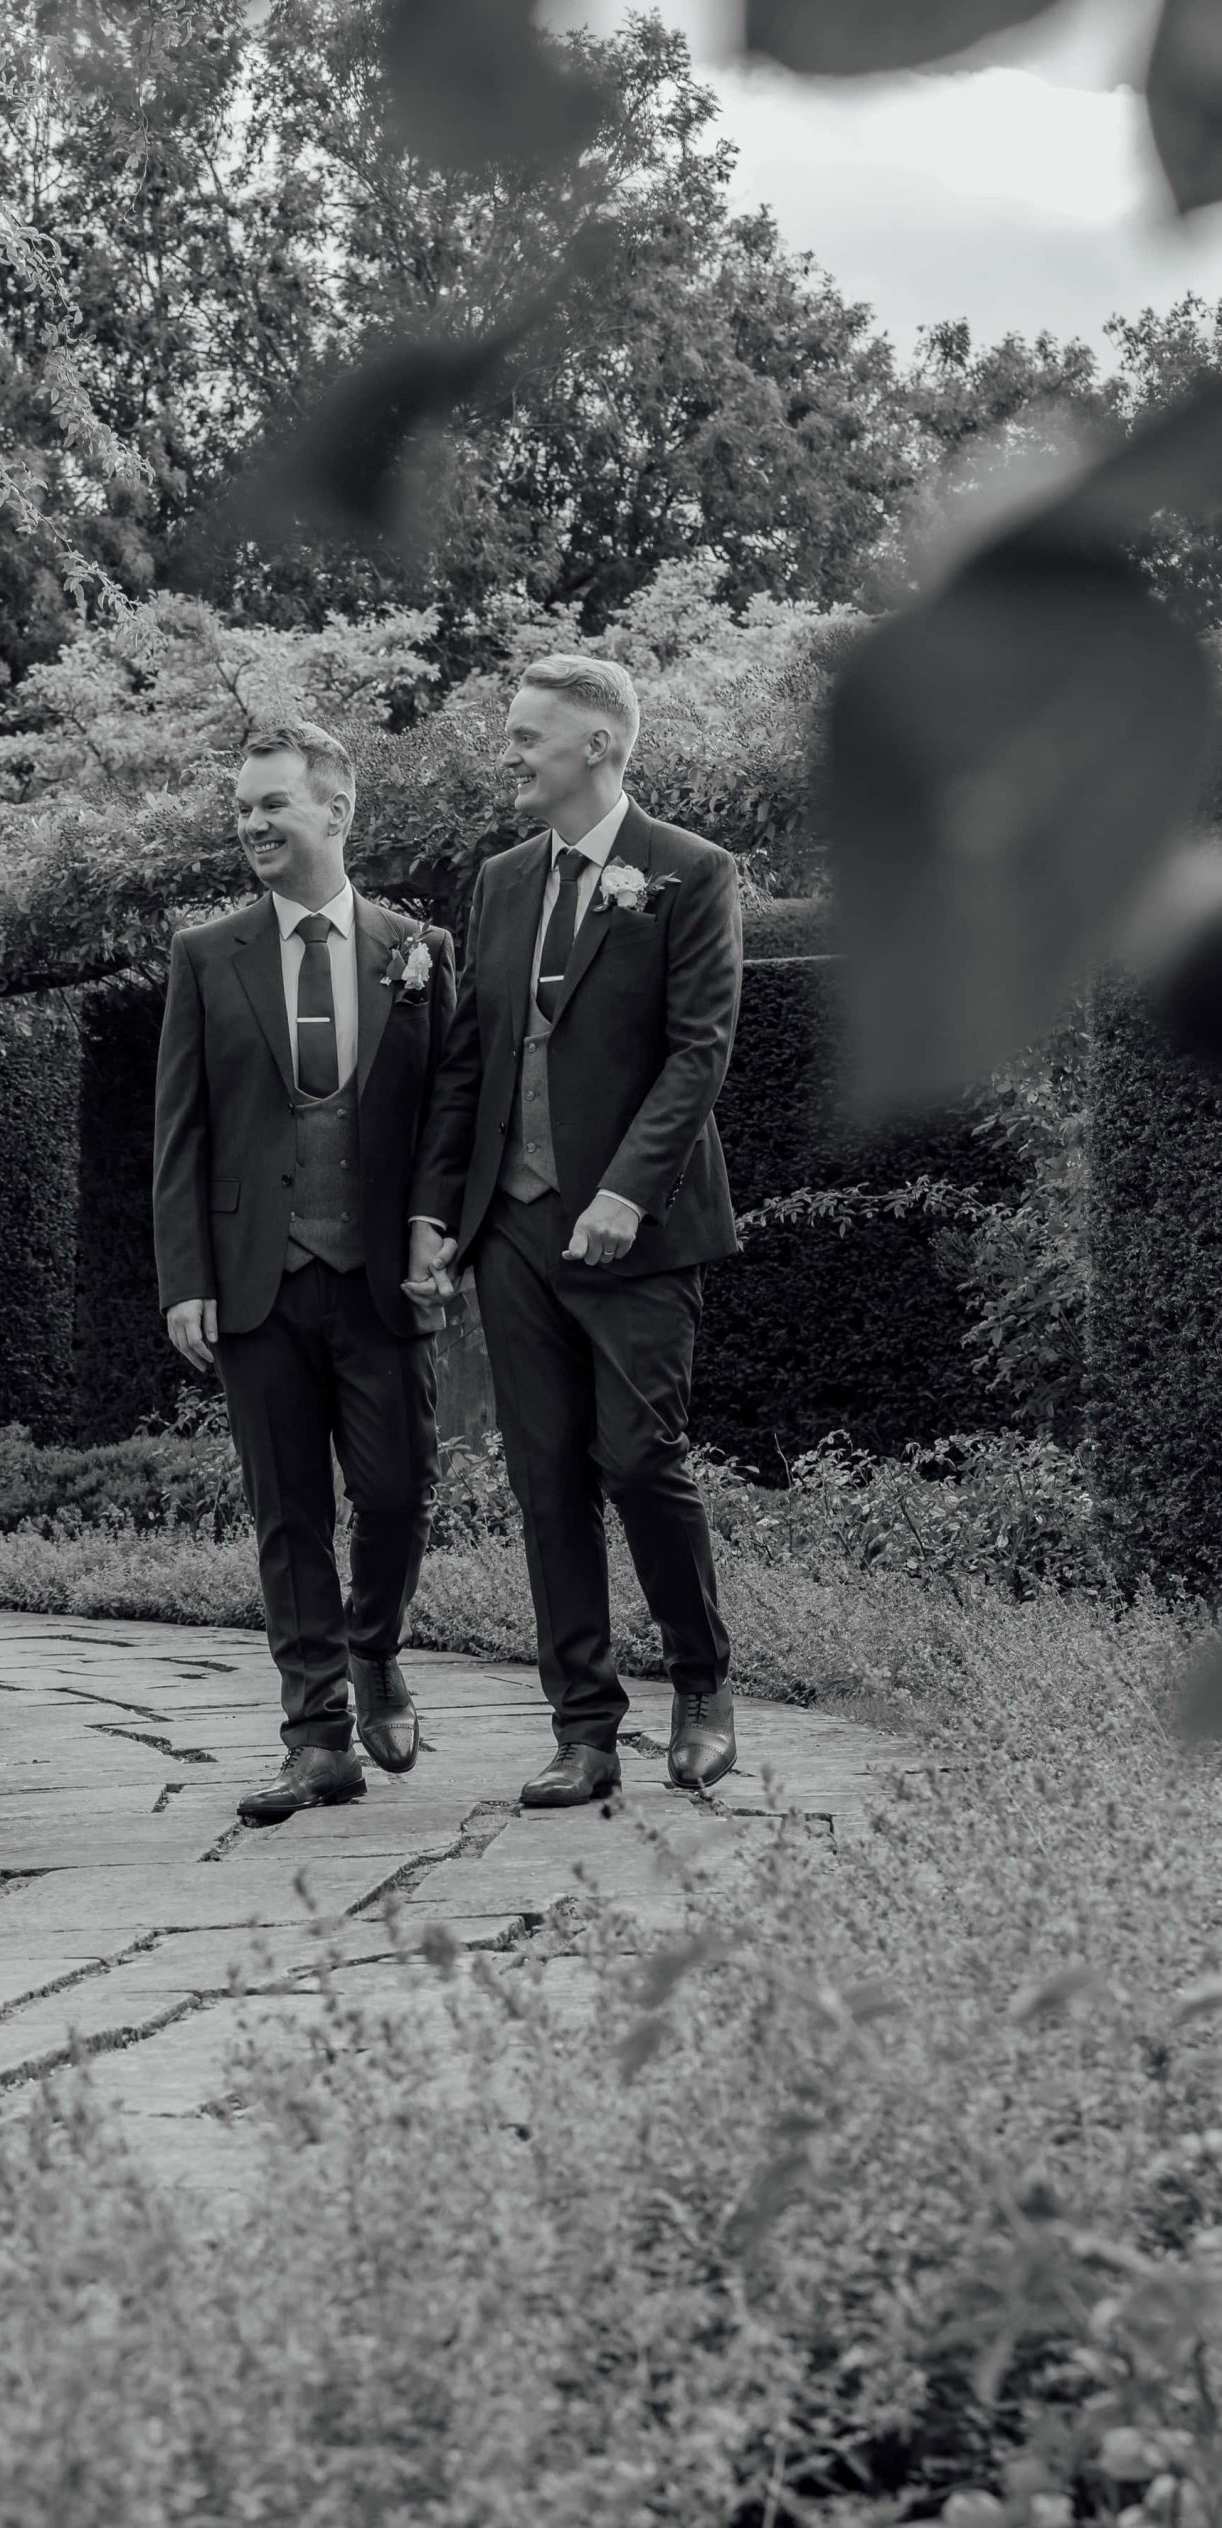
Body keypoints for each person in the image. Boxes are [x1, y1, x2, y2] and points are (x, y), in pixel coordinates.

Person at [406, 655, 742, 1809]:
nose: (509, 752)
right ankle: (584, 1731)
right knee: (545, 1478)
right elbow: (470, 1060)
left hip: (639, 1234)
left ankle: (701, 1687)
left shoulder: (690, 871)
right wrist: (436, 1213)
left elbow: (699, 1050)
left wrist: (625, 1192)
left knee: (640, 1458)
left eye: (526, 735)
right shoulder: (502, 882)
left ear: (597, 743)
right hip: (513, 1228)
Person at [153, 720, 457, 1822]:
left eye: (272, 803)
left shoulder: (417, 949)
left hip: (380, 1278)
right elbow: (180, 1129)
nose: (252, 823)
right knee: (287, 1513)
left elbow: (448, 1113)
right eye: (242, 808)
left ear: (337, 810)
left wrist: (434, 1226)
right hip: (255, 1278)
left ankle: (373, 1648)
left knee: (397, 1490)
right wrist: (185, 1276)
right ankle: (317, 1737)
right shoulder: (205, 954)